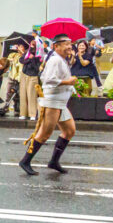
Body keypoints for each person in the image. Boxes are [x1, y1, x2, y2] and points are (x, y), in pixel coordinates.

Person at [19, 34, 77, 176]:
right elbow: (48, 80)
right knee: (44, 134)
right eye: (66, 44)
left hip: (61, 102)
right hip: (52, 101)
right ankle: (25, 161)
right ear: (56, 46)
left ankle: (54, 161)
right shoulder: (55, 60)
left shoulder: (63, 60)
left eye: (70, 43)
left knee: (69, 131)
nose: (69, 46)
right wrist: (68, 82)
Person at [19, 42, 41, 120]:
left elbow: (37, 68)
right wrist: (29, 58)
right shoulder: (27, 53)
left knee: (32, 95)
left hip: (33, 75)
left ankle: (33, 114)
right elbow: (21, 61)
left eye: (34, 44)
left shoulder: (39, 55)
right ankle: (23, 113)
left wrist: (32, 59)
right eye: (31, 44)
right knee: (23, 94)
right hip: (24, 74)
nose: (32, 46)